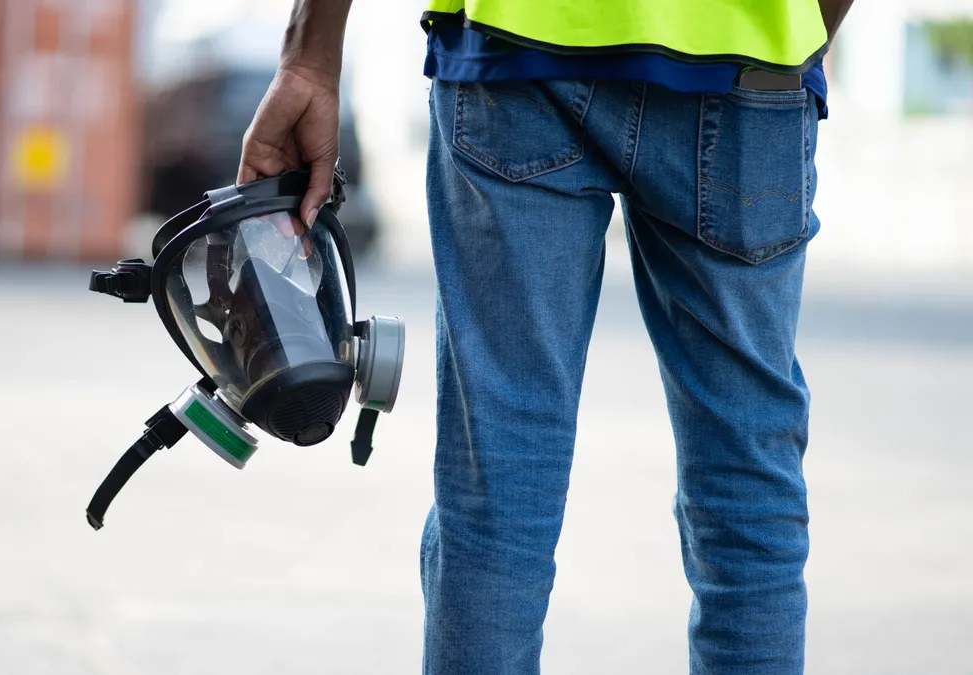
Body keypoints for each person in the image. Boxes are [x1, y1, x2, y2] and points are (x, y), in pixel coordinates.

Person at [238, 1, 856, 673]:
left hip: (522, 45)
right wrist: (794, 30)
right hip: (744, 56)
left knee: (498, 476)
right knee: (746, 479)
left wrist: (309, 53)